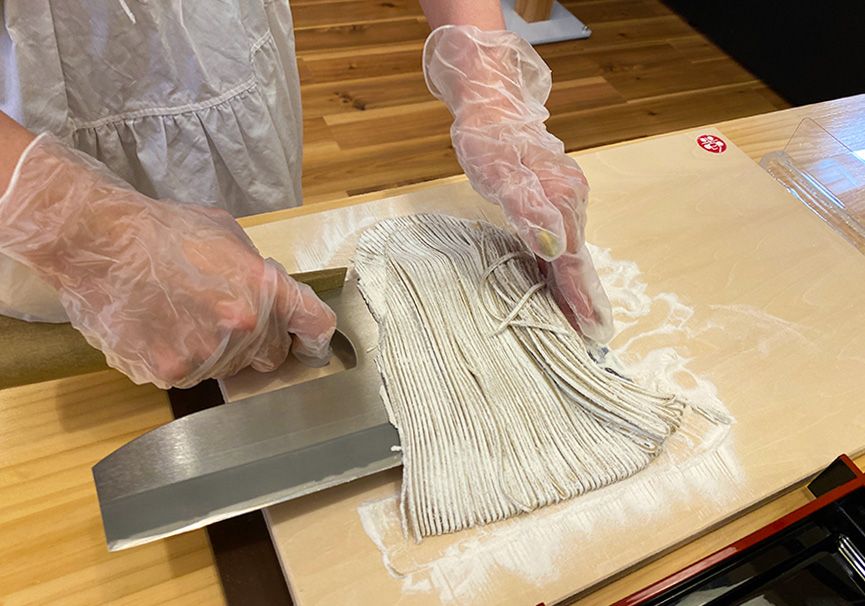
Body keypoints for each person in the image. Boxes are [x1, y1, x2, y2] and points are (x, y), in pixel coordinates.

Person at [0, 0, 613, 389]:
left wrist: (488, 89)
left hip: (231, 57)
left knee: (263, 334)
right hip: (32, 157)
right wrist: (77, 228)